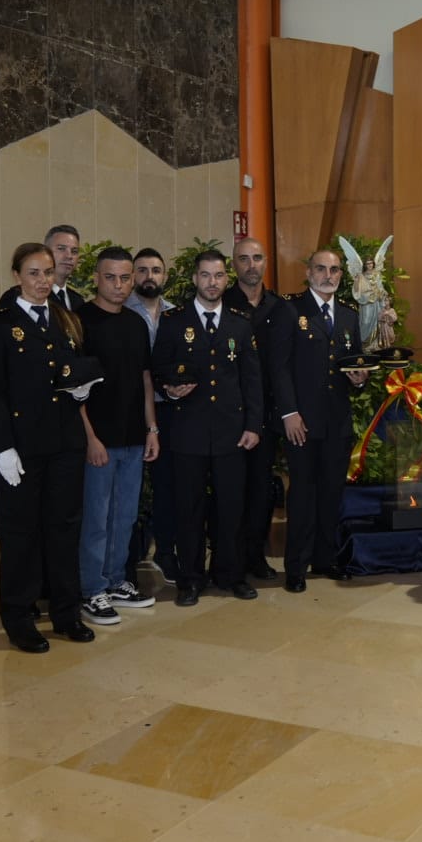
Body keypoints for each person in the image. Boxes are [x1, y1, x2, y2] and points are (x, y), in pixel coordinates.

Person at [0, 242, 95, 653]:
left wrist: (81, 389)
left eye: (47, 272)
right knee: (20, 534)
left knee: (64, 529)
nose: (42, 281)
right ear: (16, 276)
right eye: (33, 273)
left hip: (64, 442)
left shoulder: (65, 319)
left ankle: (66, 614)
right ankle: (19, 617)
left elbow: (73, 370)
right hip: (22, 447)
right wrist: (2, 448)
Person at [152, 249, 263, 607]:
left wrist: (254, 425)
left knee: (232, 508)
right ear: (195, 279)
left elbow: (252, 380)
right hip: (188, 432)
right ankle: (190, 579)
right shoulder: (173, 321)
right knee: (189, 509)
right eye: (205, 276)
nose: (211, 283)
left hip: (232, 433)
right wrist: (168, 387)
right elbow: (159, 368)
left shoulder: (240, 322)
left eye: (217, 276)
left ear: (226, 279)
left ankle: (231, 574)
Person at [269, 249, 371, 592]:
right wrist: (289, 412)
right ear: (309, 272)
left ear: (342, 275)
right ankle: (296, 567)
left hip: (337, 420)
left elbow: (351, 362)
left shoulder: (347, 315)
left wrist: (359, 378)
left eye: (335, 270)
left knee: (331, 492)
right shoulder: (289, 309)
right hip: (302, 421)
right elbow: (279, 367)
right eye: (322, 269)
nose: (329, 275)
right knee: (302, 494)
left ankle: (325, 559)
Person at [75, 247, 159, 625]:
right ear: (96, 278)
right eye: (111, 277)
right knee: (97, 518)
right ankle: (92, 589)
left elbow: (145, 380)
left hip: (133, 438)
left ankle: (116, 580)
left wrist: (152, 429)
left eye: (125, 278)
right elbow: (73, 390)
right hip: (100, 441)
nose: (119, 285)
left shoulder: (136, 323)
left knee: (124, 517)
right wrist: (90, 438)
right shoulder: (79, 322)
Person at [223, 237, 293, 580]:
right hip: (226, 416)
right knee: (229, 491)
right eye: (243, 259)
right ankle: (228, 560)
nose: (251, 265)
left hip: (265, 417)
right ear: (233, 265)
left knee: (261, 490)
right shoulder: (219, 304)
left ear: (266, 262)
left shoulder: (281, 308)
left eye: (257, 258)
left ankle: (256, 556)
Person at [124, 247, 180, 584]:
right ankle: (127, 563)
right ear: (132, 277)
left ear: (165, 276)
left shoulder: (177, 315)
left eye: (156, 270)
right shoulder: (123, 313)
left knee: (168, 487)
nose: (149, 277)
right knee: (130, 492)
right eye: (142, 270)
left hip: (171, 410)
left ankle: (166, 553)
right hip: (133, 412)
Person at [0, 225, 83, 312]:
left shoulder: (77, 300)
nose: (69, 256)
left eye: (74, 251)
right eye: (61, 249)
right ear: (46, 252)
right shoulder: (17, 296)